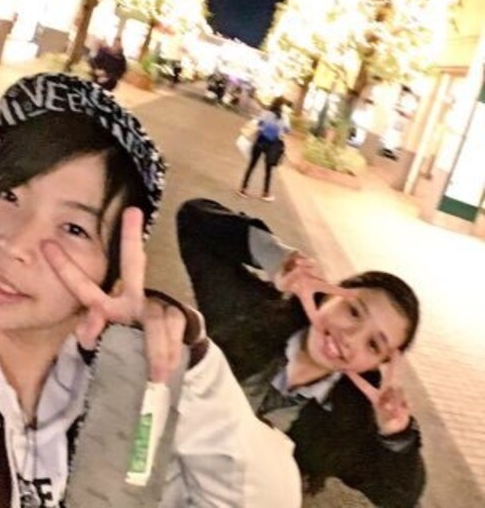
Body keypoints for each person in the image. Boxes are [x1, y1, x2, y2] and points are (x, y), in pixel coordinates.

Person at [0, 74, 302, 507]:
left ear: (113, 275)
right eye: (9, 194)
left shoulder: (123, 396)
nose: (16, 244)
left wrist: (192, 366)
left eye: (73, 228)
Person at [177, 198, 426, 508]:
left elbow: (400, 497)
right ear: (329, 294)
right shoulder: (248, 312)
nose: (350, 338)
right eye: (353, 311)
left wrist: (397, 435)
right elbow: (193, 219)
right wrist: (276, 258)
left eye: (373, 345)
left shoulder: (344, 425)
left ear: (378, 364)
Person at [238, 96, 289, 202]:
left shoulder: (265, 113)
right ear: (282, 106)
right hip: (271, 144)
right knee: (268, 170)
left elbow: (258, 123)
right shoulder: (283, 118)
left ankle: (243, 189)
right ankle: (265, 193)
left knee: (252, 165)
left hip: (260, 140)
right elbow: (287, 130)